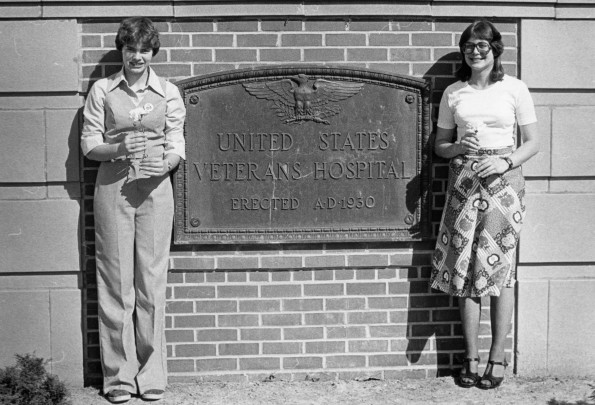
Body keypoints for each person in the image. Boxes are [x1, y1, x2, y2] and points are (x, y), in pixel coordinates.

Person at [81, 17, 186, 403]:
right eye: (130, 49)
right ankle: (119, 377)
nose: (137, 56)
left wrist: (169, 162)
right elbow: (89, 143)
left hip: (157, 192)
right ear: (122, 51)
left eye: (144, 49)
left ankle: (152, 374)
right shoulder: (103, 90)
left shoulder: (168, 92)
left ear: (152, 52)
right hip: (113, 188)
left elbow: (177, 139)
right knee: (115, 281)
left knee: (151, 282)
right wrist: (118, 149)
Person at [430, 20, 539, 389]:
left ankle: (497, 357)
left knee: (500, 270)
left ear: (495, 49)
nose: (475, 52)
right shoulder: (454, 92)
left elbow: (532, 143)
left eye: (482, 46)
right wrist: (458, 148)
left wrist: (505, 161)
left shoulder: (514, 88)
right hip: (464, 181)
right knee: (465, 268)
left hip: (504, 183)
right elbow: (440, 146)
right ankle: (471, 356)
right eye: (468, 46)